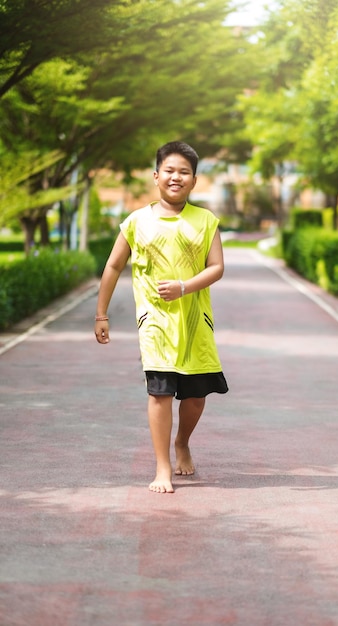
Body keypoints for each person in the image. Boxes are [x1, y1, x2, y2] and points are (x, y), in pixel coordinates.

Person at [94, 141, 228, 493]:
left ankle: (182, 441)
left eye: (184, 172)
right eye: (169, 170)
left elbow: (217, 268)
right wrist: (101, 314)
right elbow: (113, 265)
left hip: (195, 322)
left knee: (196, 398)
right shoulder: (137, 221)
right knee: (160, 395)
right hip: (154, 324)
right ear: (156, 176)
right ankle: (162, 467)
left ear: (194, 181)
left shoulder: (205, 221)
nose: (176, 177)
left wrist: (184, 287)